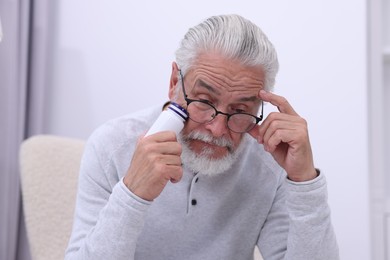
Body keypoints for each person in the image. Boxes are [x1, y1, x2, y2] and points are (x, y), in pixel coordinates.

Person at [65, 14, 339, 259]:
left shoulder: (270, 163)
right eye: (204, 101)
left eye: (240, 110)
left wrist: (305, 182)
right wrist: (132, 195)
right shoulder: (111, 146)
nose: (217, 129)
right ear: (175, 82)